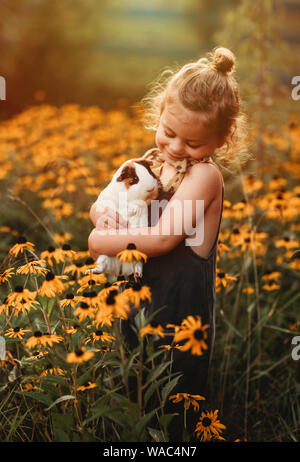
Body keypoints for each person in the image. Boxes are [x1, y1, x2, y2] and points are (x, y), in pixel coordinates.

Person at [88, 47, 249, 441]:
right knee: (130, 401)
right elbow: (105, 202)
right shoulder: (145, 165)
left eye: (192, 143)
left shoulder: (205, 177)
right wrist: (100, 217)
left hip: (179, 320)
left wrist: (98, 240)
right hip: (134, 307)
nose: (176, 149)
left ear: (221, 139)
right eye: (169, 132)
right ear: (159, 113)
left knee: (172, 412)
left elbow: (162, 238)